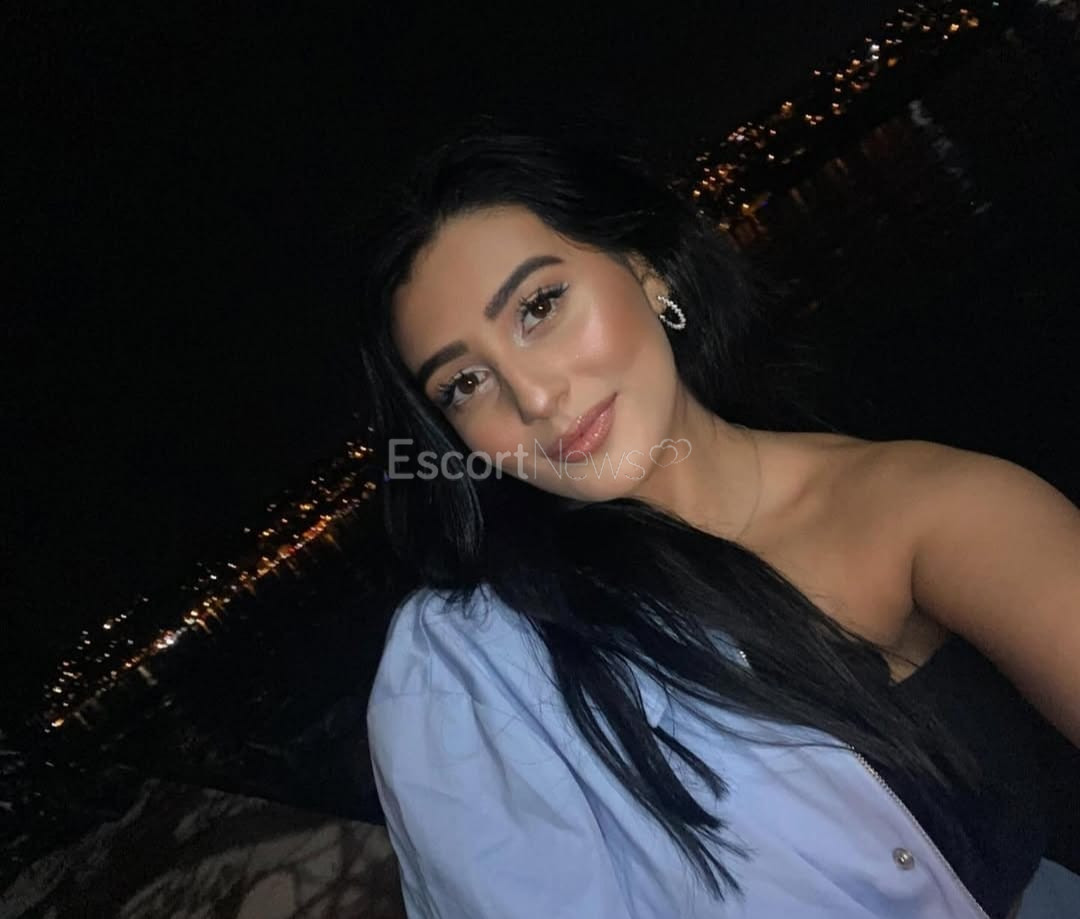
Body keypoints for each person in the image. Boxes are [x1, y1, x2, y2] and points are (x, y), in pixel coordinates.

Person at [355, 128, 1080, 918]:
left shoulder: (924, 506)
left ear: (645, 269)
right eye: (464, 382)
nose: (532, 397)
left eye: (539, 306)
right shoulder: (481, 662)